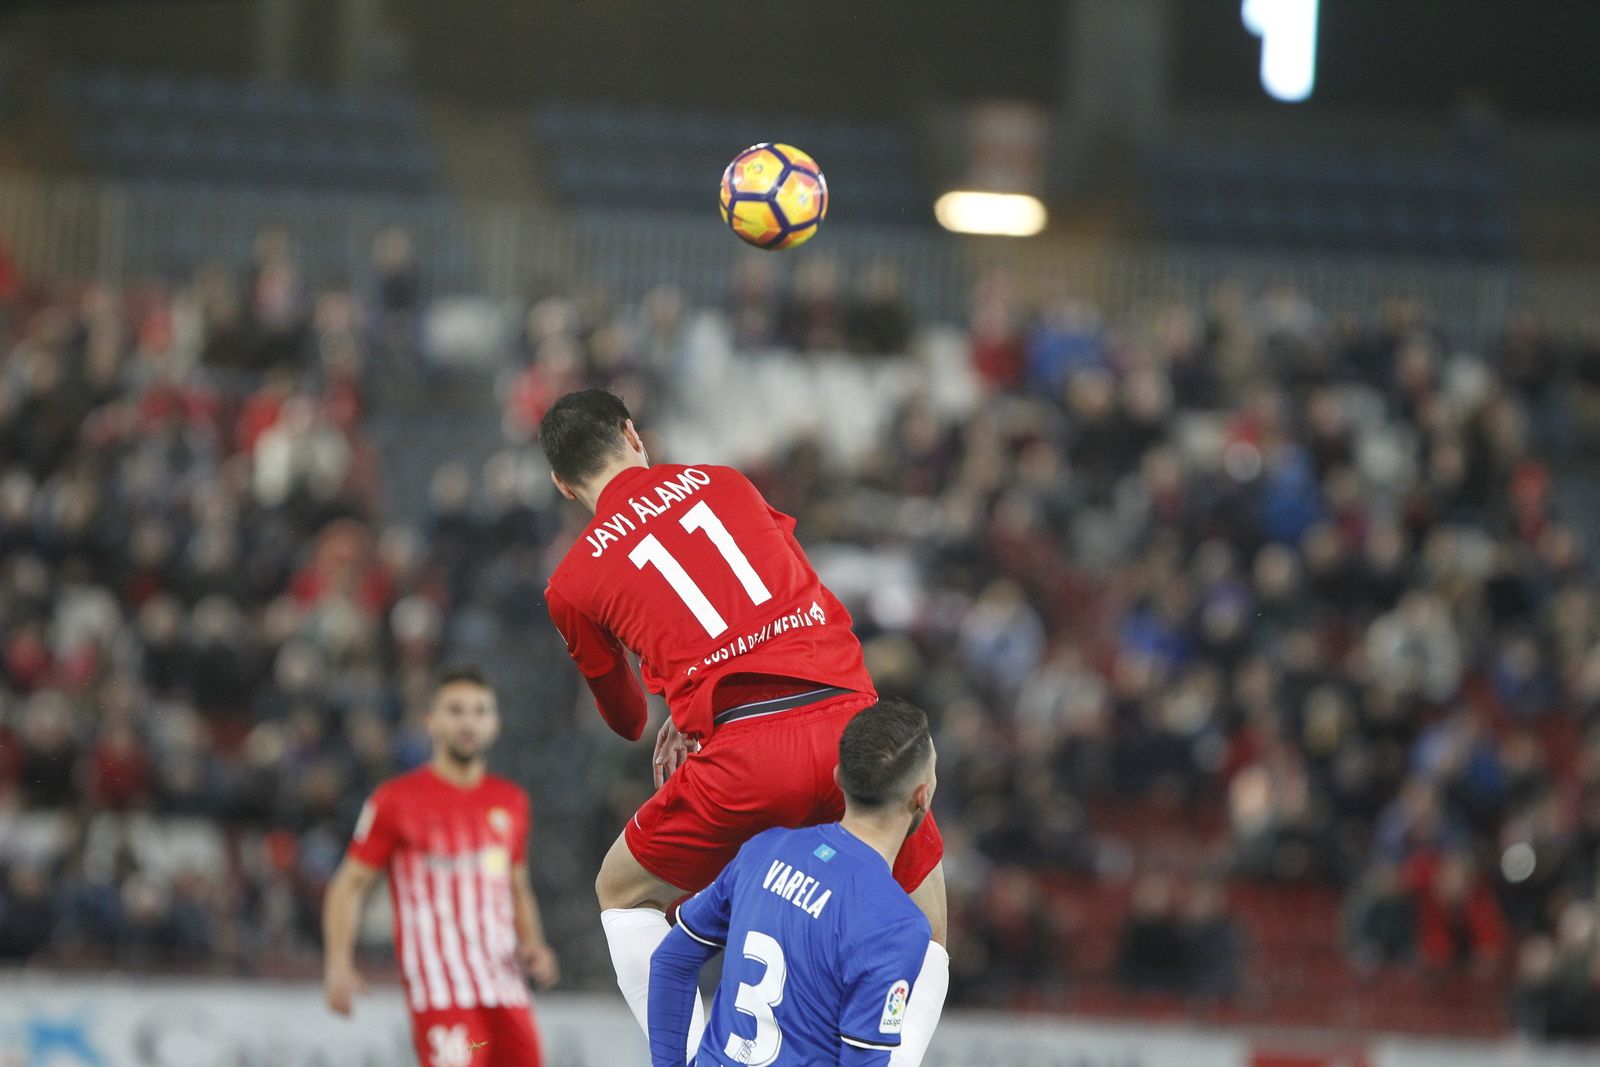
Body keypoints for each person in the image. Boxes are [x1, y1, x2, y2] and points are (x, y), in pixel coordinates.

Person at [538, 389, 947, 1063]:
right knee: (926, 927)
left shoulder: (572, 583)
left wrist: (676, 698)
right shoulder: (727, 482)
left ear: (562, 483)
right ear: (632, 435)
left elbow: (626, 718)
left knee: (621, 889)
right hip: (852, 720)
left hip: (748, 752)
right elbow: (787, 582)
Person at [649, 700, 936, 1066]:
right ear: (922, 795)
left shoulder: (764, 850)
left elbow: (671, 959)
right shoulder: (897, 925)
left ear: (837, 777)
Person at [322, 666, 560, 1067]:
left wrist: (534, 944)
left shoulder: (511, 801)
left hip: (506, 989)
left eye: (480, 711)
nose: (469, 722)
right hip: (440, 992)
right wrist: (338, 965)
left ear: (495, 724)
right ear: (432, 721)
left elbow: (517, 886)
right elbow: (349, 884)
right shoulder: (396, 800)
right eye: (456, 710)